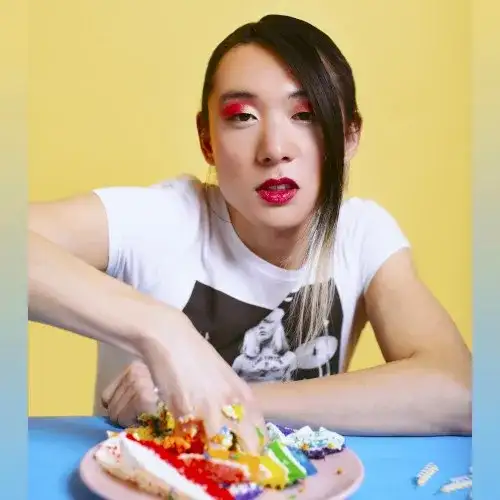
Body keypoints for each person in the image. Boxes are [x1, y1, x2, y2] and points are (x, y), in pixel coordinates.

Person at [28, 14, 472, 452]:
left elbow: (459, 391)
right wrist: (162, 330)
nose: (274, 149)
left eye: (305, 114)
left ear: (349, 136)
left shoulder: (361, 234)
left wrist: (225, 399)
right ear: (207, 139)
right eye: (242, 116)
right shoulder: (161, 219)